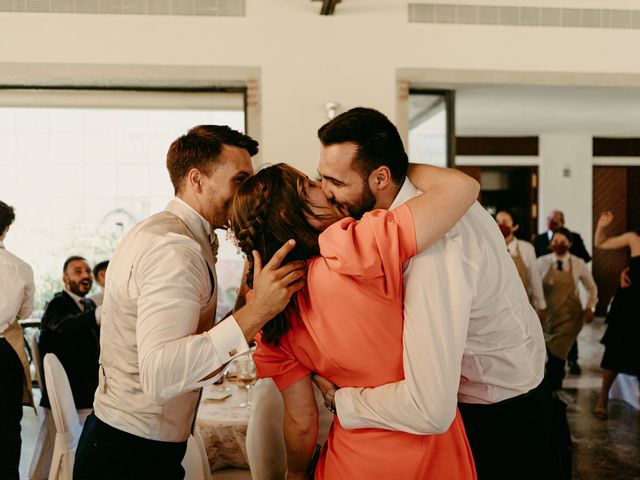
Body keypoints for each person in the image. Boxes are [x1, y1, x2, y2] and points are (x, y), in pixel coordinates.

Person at [312, 107, 560, 480]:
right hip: (503, 402)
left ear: (381, 177)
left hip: (502, 424)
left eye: (336, 181)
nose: (325, 193)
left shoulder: (432, 247)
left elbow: (430, 407)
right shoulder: (433, 202)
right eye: (321, 178)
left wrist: (339, 400)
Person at [73, 125, 306, 480]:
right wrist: (258, 313)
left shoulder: (167, 233)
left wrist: (248, 305)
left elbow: (188, 341)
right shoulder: (174, 250)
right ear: (197, 180)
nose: (247, 194)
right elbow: (162, 373)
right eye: (240, 181)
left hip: (131, 443)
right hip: (131, 455)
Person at [231, 162, 479, 479]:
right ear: (286, 215)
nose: (325, 186)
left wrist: (295, 473)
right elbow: (459, 190)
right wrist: (392, 163)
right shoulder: (348, 245)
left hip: (349, 462)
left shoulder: (269, 312)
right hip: (428, 454)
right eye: (309, 185)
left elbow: (301, 420)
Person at [592, 211, 640, 419]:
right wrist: (603, 225)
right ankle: (602, 398)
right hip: (631, 303)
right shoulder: (634, 238)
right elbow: (601, 242)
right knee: (616, 350)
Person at [537, 227, 597, 391]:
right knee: (545, 357)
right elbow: (533, 288)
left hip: (569, 319)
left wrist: (590, 307)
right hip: (545, 318)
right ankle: (548, 392)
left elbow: (591, 287)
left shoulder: (578, 263)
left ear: (570, 243)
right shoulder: (541, 262)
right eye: (555, 241)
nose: (559, 245)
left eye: (563, 242)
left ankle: (554, 391)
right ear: (551, 244)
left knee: (557, 357)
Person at [0, 200, 35, 480]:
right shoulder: (21, 268)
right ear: (6, 228)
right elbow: (25, 312)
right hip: (4, 354)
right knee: (8, 427)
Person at [39, 256, 101, 411]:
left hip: (89, 381)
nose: (86, 275)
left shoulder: (89, 304)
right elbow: (65, 326)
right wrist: (97, 315)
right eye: (78, 272)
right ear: (65, 279)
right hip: (70, 386)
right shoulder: (57, 303)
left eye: (88, 271)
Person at [533, 209, 591, 374]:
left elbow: (585, 259)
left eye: (556, 219)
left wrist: (566, 253)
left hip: (568, 295)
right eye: (550, 218)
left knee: (568, 329)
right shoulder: (539, 239)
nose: (553, 221)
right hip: (546, 293)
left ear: (563, 222)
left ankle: (572, 359)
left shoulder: (574, 238)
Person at [496, 210, 546, 321]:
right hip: (497, 309)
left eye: (505, 221)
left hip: (521, 306)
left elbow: (535, 279)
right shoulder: (490, 248)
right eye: (498, 221)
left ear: (515, 226)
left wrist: (541, 306)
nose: (500, 225)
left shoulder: (526, 249)